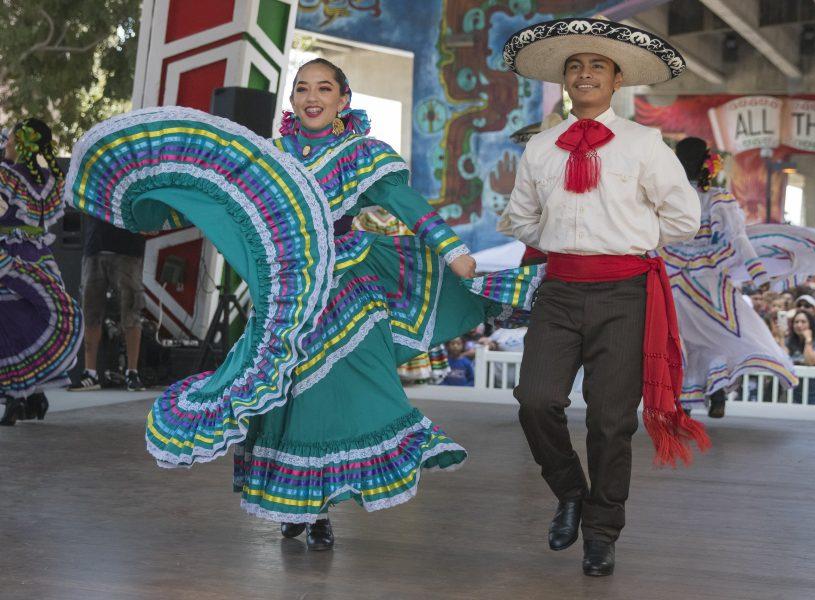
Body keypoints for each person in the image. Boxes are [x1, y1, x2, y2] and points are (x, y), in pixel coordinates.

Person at [66, 60, 538, 551]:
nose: (312, 96)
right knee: (282, 397)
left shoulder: (360, 154)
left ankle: (320, 507)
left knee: (337, 397)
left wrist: (455, 253)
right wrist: (161, 198)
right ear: (292, 100)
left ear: (343, 99)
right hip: (286, 293)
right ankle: (297, 505)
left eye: (324, 88)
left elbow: (408, 205)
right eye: (302, 88)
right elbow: (225, 202)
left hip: (347, 288)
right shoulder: (268, 159)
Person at [498, 18, 708, 577]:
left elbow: (685, 218)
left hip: (625, 291)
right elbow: (519, 217)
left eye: (596, 66)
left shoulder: (643, 144)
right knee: (535, 398)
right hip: (561, 289)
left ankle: (602, 529)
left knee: (612, 421)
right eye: (574, 66)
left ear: (617, 81)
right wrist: (564, 241)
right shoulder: (540, 148)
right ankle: (570, 491)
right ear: (565, 82)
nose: (583, 73)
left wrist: (628, 239)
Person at [656, 137, 799, 419]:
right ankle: (711, 393)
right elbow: (737, 239)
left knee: (685, 338)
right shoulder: (716, 198)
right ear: (709, 163)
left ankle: (688, 398)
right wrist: (758, 275)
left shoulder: (667, 197)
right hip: (707, 278)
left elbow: (650, 236)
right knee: (718, 335)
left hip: (674, 276)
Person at [0, 118, 83, 425]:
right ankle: (33, 395)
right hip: (41, 259)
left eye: (9, 139)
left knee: (9, 329)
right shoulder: (52, 179)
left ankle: (16, 397)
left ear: (20, 144)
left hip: (10, 258)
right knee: (33, 325)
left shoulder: (5, 175)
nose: (6, 142)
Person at [67, 215, 147, 392]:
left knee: (131, 310)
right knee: (90, 311)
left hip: (128, 247)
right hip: (95, 244)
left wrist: (150, 221)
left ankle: (133, 372)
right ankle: (90, 372)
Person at [784, 309, 815, 405]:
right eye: (796, 322)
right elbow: (783, 358)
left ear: (811, 325)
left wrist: (808, 340)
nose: (799, 325)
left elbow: (810, 362)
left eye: (803, 322)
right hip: (794, 393)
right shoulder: (789, 341)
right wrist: (780, 337)